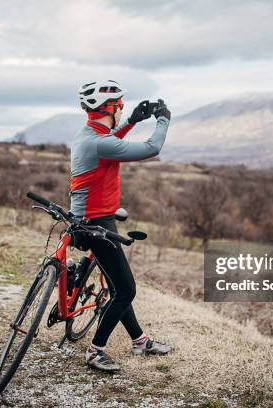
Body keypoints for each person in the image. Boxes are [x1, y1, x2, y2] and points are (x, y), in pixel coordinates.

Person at [71, 80, 172, 372]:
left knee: (116, 285)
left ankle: (140, 340)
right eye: (120, 106)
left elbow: (110, 137)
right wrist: (164, 119)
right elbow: (152, 147)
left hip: (88, 219)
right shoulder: (99, 142)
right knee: (126, 290)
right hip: (97, 222)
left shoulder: (88, 134)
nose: (123, 108)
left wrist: (132, 121)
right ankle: (95, 351)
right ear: (109, 107)